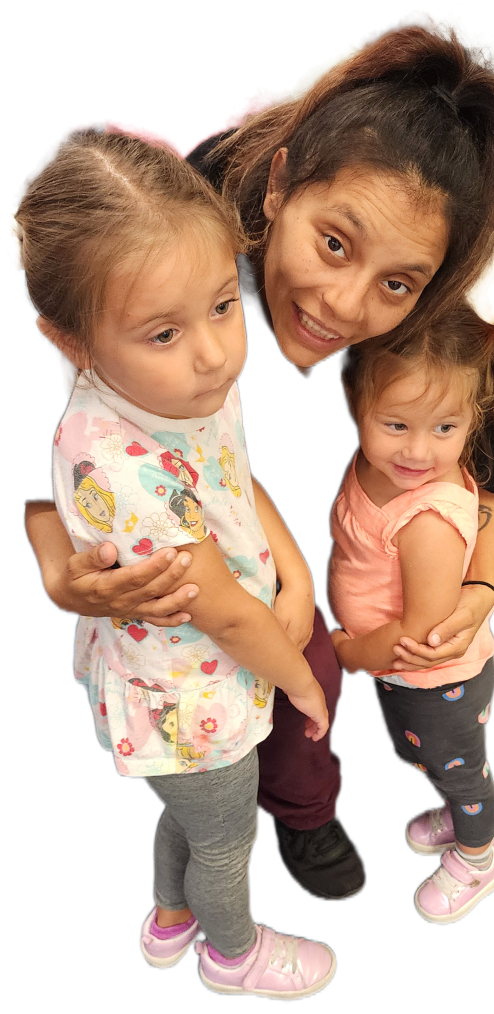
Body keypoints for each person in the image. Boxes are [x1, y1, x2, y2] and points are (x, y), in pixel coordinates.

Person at [21, 12, 494, 910]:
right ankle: (288, 823)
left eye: (396, 282)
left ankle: (306, 806)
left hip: (309, 573)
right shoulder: (172, 253)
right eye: (333, 242)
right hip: (196, 603)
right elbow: (54, 429)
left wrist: (480, 580)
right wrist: (56, 563)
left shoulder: (423, 329)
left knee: (311, 716)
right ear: (276, 185)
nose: (341, 304)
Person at [10, 119, 340, 997]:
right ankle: (232, 956)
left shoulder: (181, 387)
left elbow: (231, 477)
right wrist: (301, 684)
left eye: (223, 305)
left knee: (196, 817)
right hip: (192, 692)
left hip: (202, 674)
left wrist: (293, 569)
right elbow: (223, 611)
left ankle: (168, 918)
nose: (213, 353)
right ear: (68, 338)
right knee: (227, 837)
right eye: (163, 332)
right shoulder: (121, 467)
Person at [328, 301, 494, 924]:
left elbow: (421, 632)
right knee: (437, 757)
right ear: (354, 400)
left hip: (434, 678)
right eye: (396, 424)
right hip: (415, 678)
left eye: (445, 429)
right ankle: (461, 803)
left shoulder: (428, 518)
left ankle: (479, 854)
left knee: (461, 768)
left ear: (474, 418)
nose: (418, 451)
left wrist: (348, 652)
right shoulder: (384, 469)